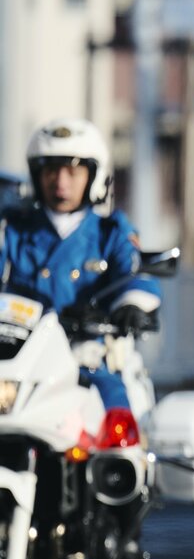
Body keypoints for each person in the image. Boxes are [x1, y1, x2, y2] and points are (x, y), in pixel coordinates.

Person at [1, 118, 162, 414]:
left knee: (118, 433)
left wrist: (131, 306)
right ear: (38, 175)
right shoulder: (10, 229)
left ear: (94, 176)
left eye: (73, 171)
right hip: (17, 363)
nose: (61, 182)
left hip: (87, 359)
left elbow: (135, 275)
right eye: (51, 170)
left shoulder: (111, 232)